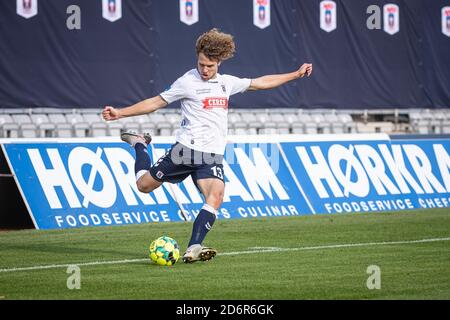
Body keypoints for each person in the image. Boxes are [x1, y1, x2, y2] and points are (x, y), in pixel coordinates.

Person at [102, 28, 312, 263]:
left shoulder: (227, 83)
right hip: (185, 152)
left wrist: (295, 74)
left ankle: (194, 247)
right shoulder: (187, 81)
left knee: (216, 195)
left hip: (212, 155)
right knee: (143, 186)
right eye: (201, 64)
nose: (204, 69)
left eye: (209, 66)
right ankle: (140, 144)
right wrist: (120, 113)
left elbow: (261, 83)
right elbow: (156, 102)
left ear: (219, 63)